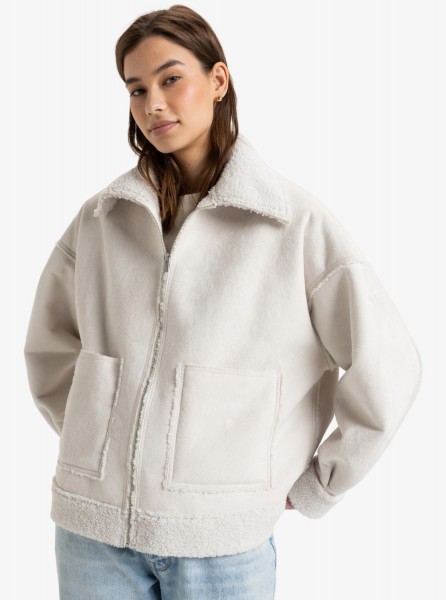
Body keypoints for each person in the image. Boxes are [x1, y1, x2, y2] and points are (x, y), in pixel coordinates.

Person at [23, 4, 422, 599]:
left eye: (171, 78)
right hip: (91, 536)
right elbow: (49, 348)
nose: (153, 104)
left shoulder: (292, 222)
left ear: (218, 80)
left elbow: (388, 367)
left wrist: (321, 484)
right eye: (137, 89)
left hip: (221, 543)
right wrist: (100, 439)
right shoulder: (101, 219)